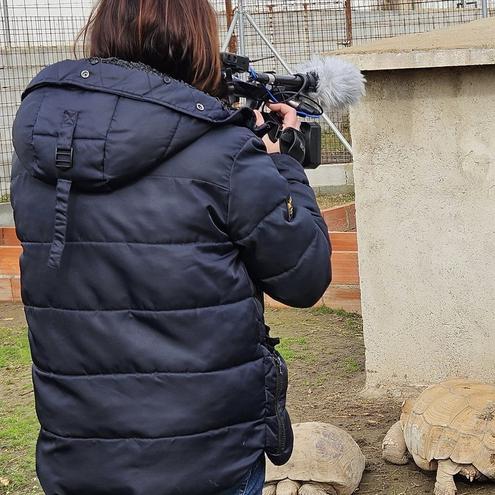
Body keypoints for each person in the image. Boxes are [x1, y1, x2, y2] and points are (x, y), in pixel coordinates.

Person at [10, 0, 332, 493]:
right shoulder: (223, 152)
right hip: (207, 461)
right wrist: (282, 165)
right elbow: (305, 275)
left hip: (79, 457)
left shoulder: (42, 153)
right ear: (196, 43)